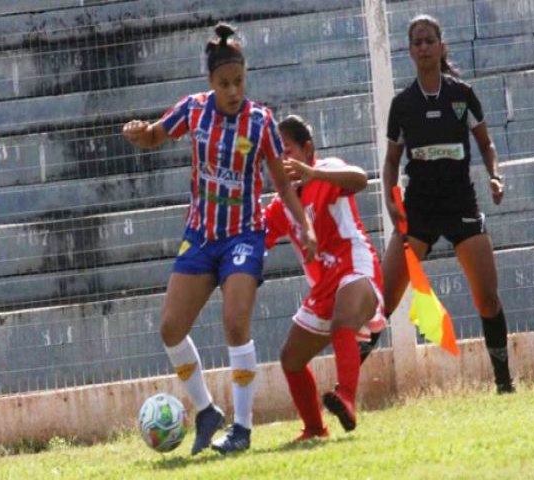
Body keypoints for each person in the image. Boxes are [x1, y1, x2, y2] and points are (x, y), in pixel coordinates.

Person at [123, 24, 317, 455]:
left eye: (239, 82)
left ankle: (243, 429)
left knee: (235, 323)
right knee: (171, 329)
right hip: (201, 234)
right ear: (210, 83)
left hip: (243, 236)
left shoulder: (260, 121)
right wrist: (141, 133)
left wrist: (303, 223)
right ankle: (208, 411)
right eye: (224, 84)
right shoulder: (194, 110)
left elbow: (282, 183)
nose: (233, 91)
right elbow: (157, 134)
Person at [381, 14, 514, 394]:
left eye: (429, 41)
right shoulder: (403, 104)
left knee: (487, 298)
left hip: (460, 203)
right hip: (419, 208)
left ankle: (504, 384)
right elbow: (391, 161)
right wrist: (392, 201)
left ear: (441, 46)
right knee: (385, 299)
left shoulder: (462, 95)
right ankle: (344, 392)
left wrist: (495, 175)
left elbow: (486, 144)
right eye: (417, 42)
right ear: (410, 51)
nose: (423, 48)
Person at [264, 115, 386, 441]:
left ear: (308, 150)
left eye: (286, 151)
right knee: (291, 358)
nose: (280, 160)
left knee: (343, 318)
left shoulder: (328, 169)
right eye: (274, 154)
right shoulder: (281, 205)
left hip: (356, 269)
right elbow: (255, 238)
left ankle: (345, 396)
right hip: (323, 287)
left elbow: (360, 178)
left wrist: (314, 172)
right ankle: (315, 429)